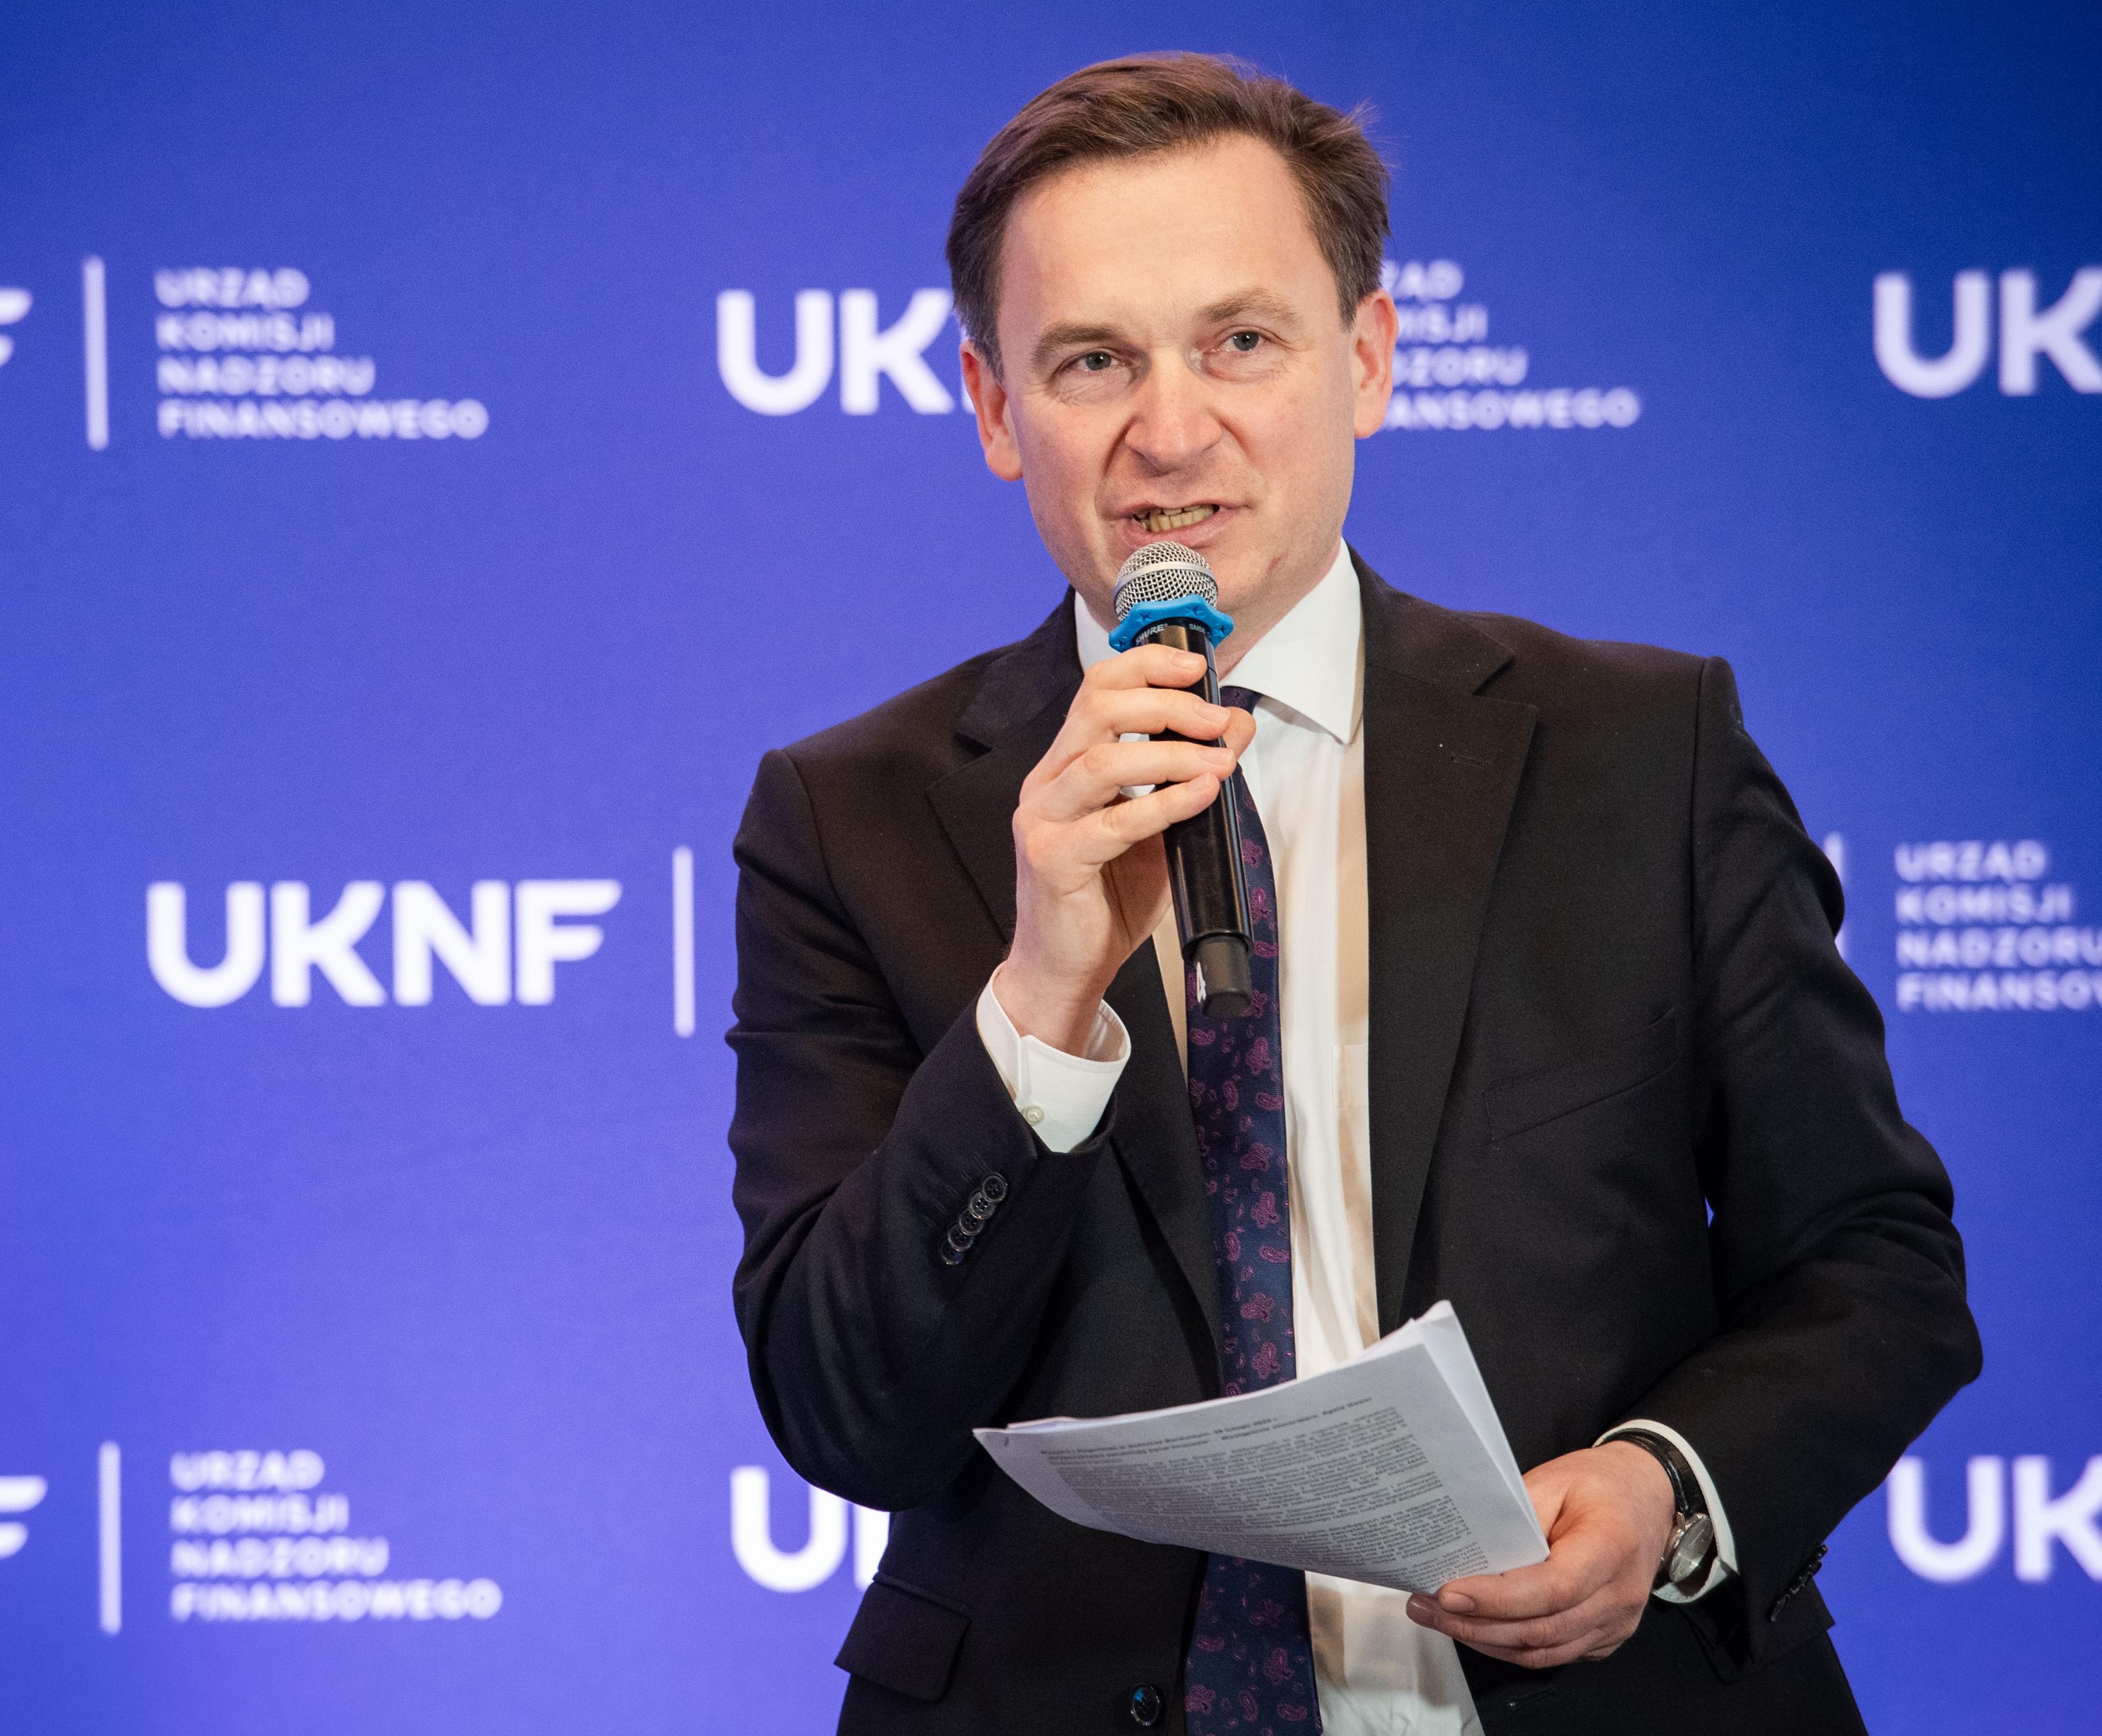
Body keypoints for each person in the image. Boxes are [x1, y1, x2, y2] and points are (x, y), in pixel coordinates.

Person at [726, 52, 1979, 1736]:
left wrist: (1665, 1487)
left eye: (1241, 341)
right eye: (1093, 360)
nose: (1172, 430)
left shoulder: (1642, 750)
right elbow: (845, 1408)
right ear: (996, 408)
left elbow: (1875, 1259)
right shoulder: (850, 816)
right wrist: (1038, 1004)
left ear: (1370, 357)